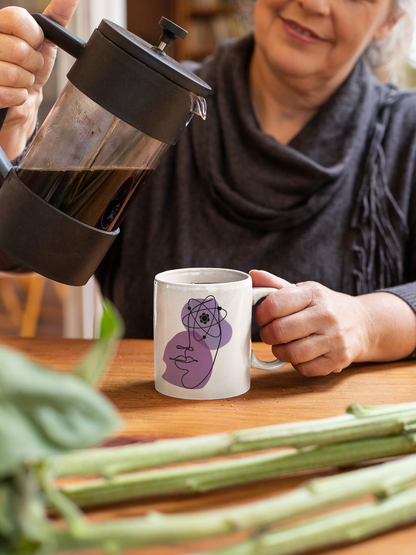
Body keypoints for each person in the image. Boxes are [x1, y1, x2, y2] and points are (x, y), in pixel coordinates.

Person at [0, 0, 415, 378]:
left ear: (390, 20)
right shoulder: (155, 104)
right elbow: (16, 245)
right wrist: (12, 135)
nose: (312, 3)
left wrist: (367, 322)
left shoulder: (406, 135)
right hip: (151, 430)